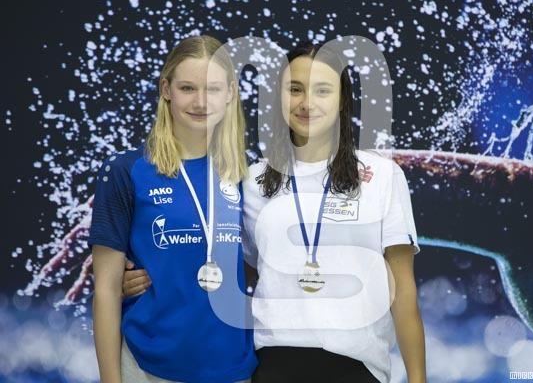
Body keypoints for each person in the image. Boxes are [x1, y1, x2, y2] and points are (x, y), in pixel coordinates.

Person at [124, 41, 426, 383]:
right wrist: (140, 278)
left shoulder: (381, 176)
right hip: (273, 362)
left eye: (322, 90)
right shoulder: (250, 180)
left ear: (342, 99)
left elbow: (404, 291)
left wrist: (418, 378)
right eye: (295, 89)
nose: (306, 103)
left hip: (358, 364)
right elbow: (223, 263)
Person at [89, 35, 257, 383]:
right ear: (166, 89)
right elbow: (105, 290)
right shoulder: (126, 170)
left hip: (234, 370)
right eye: (187, 88)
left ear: (230, 92)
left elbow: (261, 265)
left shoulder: (247, 175)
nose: (200, 101)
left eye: (213, 89)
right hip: (146, 369)